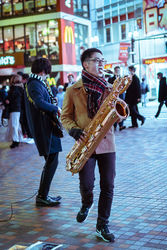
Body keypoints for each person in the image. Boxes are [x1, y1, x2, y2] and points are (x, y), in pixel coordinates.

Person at [61, 48, 115, 243]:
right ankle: (86, 202)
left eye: (103, 60)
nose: (101, 64)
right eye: (96, 60)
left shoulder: (110, 87)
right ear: (85, 64)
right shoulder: (72, 90)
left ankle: (102, 225)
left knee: (108, 185)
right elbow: (65, 116)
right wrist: (73, 130)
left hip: (107, 142)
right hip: (84, 143)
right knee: (87, 183)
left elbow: (116, 114)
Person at [24, 58, 62, 207]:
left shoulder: (36, 82)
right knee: (52, 160)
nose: (47, 75)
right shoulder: (34, 83)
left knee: (51, 161)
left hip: (47, 127)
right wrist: (55, 109)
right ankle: (42, 196)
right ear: (43, 70)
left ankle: (43, 194)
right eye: (47, 72)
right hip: (45, 128)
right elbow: (39, 102)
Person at [5, 74, 24, 148]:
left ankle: (15, 141)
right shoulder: (19, 88)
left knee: (14, 125)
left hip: (15, 109)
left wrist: (8, 100)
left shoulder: (15, 88)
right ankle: (19, 139)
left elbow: (13, 98)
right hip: (17, 108)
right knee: (16, 125)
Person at [108, 66, 126, 131]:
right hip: (114, 97)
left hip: (121, 97)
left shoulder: (122, 78)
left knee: (121, 110)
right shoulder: (111, 79)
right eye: (116, 70)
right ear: (114, 71)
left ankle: (121, 125)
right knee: (114, 111)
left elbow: (124, 87)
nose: (117, 71)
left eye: (118, 70)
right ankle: (115, 125)